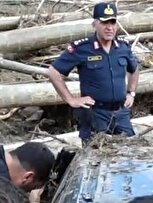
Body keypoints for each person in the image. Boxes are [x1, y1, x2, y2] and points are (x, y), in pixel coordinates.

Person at [47, 2, 141, 142]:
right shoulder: (82, 48)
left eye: (112, 22)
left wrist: (131, 93)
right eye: (104, 23)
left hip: (121, 113)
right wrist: (71, 99)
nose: (109, 27)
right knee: (95, 158)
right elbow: (53, 72)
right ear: (94, 24)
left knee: (129, 155)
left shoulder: (122, 47)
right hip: (95, 114)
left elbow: (134, 69)